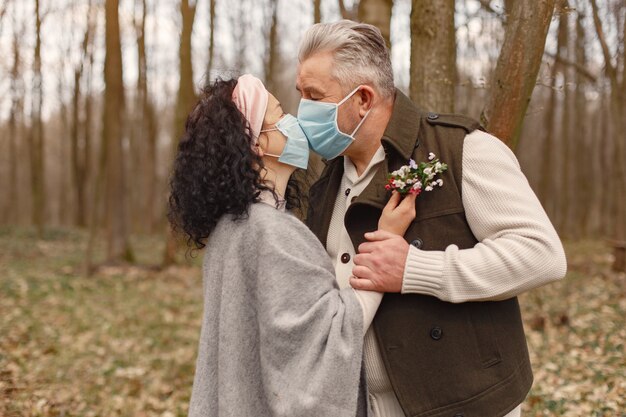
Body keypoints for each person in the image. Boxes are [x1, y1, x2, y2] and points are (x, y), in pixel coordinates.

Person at [296, 21, 567, 417]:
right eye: (300, 94)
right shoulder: (326, 184)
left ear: (363, 99)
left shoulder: (462, 150)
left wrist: (416, 269)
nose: (302, 108)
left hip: (468, 405)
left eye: (314, 96)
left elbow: (542, 254)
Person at [167, 74, 417, 417]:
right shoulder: (271, 232)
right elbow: (327, 338)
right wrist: (386, 239)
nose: (294, 122)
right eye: (279, 114)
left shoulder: (231, 227)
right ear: (258, 143)